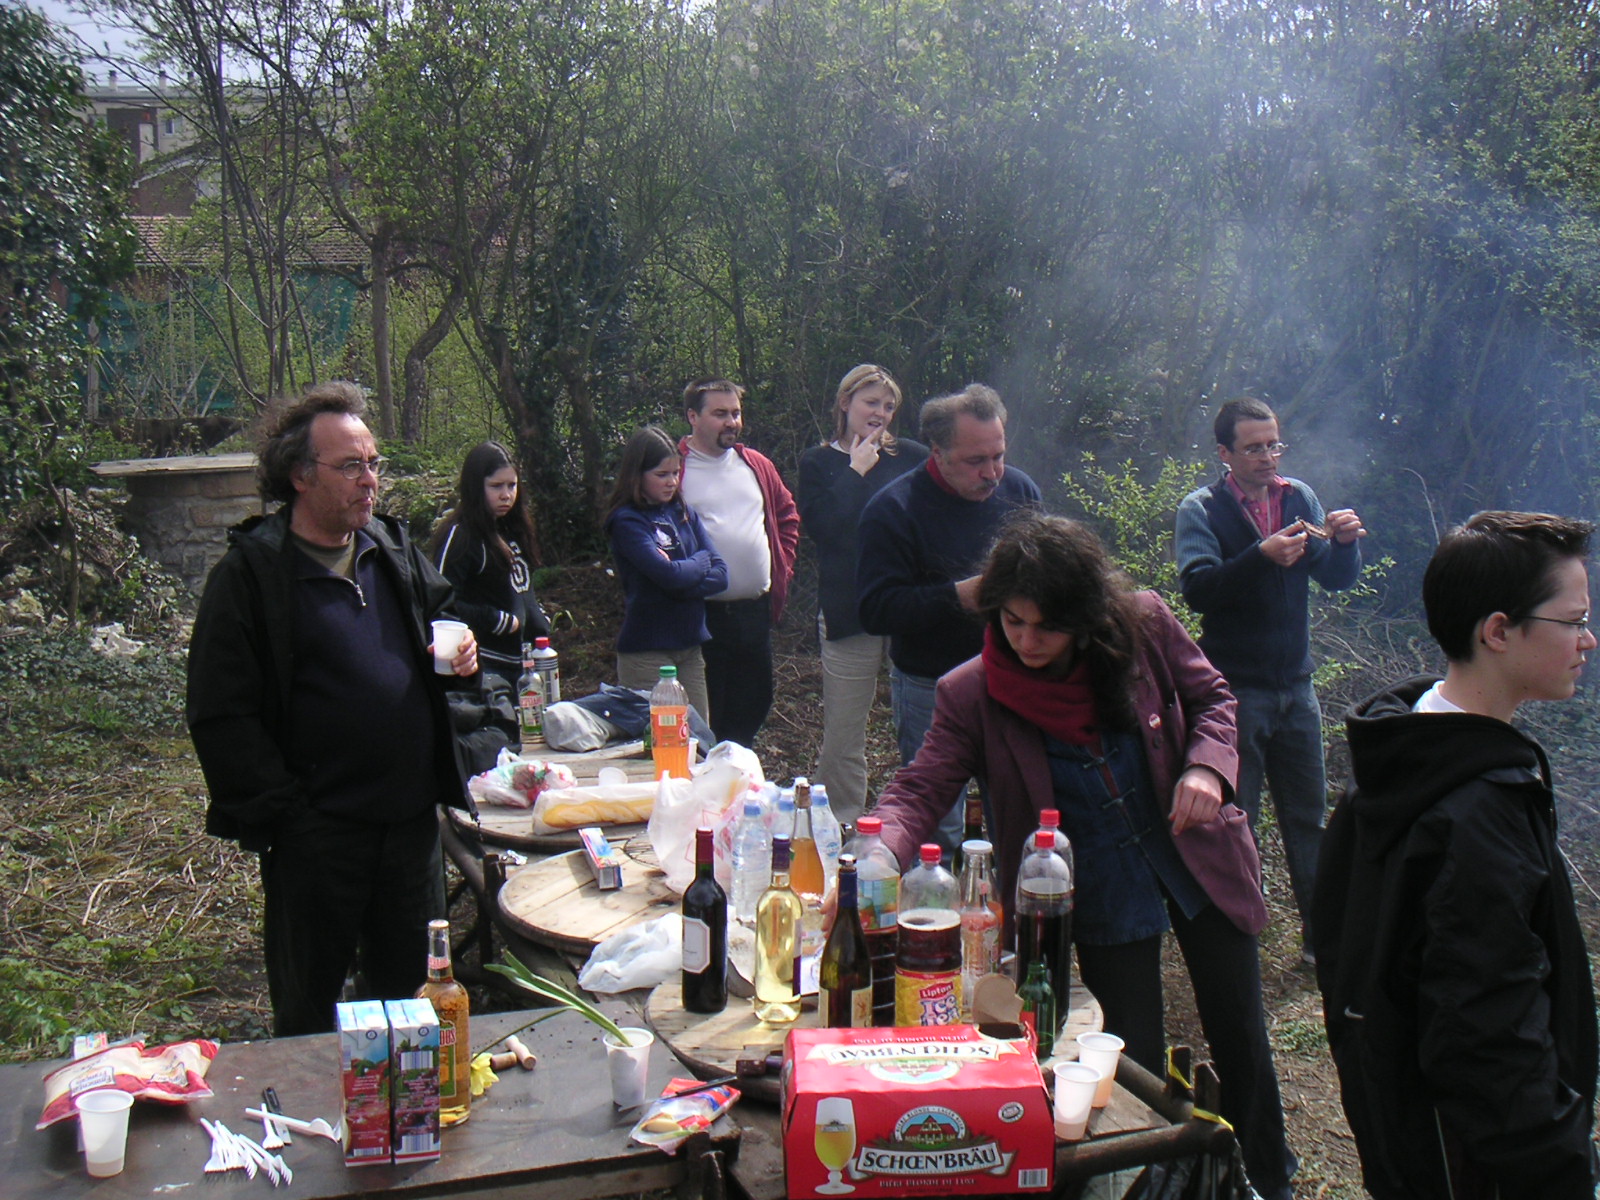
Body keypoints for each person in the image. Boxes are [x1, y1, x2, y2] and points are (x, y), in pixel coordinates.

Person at [871, 511, 1297, 1200]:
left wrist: (1207, 769)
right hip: (1094, 883)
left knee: (1241, 1033)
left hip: (1196, 855)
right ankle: (1157, 1183)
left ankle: (1267, 1181)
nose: (1026, 640)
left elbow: (1213, 697)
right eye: (1012, 621)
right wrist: (875, 852)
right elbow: (920, 787)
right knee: (1129, 1055)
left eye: (1046, 626)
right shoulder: (971, 692)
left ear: (1087, 617)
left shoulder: (1145, 625)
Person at [1313, 511, 1599, 1199]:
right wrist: (1565, 1169)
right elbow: (1489, 1042)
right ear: (1497, 631)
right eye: (1573, 621)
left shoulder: (1400, 753)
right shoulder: (1475, 811)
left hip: (1408, 1139)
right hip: (1477, 1167)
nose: (1587, 640)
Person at [186, 382, 479, 1037]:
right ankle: (312, 1104)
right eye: (350, 466)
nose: (369, 480)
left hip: (409, 830)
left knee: (414, 1010)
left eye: (373, 463)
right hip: (318, 841)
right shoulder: (253, 575)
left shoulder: (392, 549)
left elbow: (445, 616)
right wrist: (289, 815)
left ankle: (412, 1104)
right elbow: (219, 712)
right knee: (310, 1014)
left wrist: (464, 651)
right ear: (300, 475)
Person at [1174, 396, 1365, 960]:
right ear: (1224, 453)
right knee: (1240, 821)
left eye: (1273, 444)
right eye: (1253, 447)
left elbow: (1335, 578)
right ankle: (1241, 942)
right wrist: (1261, 556)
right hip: (1235, 691)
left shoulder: (1298, 497)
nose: (1267, 457)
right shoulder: (1202, 508)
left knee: (1308, 818)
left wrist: (1345, 544)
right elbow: (1199, 590)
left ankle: (1321, 943)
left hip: (1297, 688)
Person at [856, 383, 1040, 847]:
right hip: (930, 685)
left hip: (1013, 678)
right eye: (976, 461)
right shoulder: (894, 509)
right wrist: (957, 597)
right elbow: (876, 610)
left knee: (1019, 813)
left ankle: (1005, 893)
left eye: (998, 456)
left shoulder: (1020, 490)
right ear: (937, 453)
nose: (992, 473)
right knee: (938, 826)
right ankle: (939, 895)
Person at [797, 364, 929, 822]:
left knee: (923, 728)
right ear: (845, 403)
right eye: (871, 402)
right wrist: (855, 470)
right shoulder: (818, 463)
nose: (880, 413)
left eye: (888, 406)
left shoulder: (912, 457)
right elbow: (824, 530)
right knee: (844, 734)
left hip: (909, 608)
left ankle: (917, 822)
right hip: (848, 611)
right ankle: (840, 824)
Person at [676, 378, 799, 748]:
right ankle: (706, 774)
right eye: (720, 414)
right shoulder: (676, 468)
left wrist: (782, 566)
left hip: (753, 612)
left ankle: (735, 771)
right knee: (707, 712)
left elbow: (787, 516)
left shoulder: (755, 465)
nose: (732, 422)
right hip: (701, 616)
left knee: (755, 701)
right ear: (693, 416)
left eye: (736, 413)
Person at [604, 425, 728, 722]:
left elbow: (722, 575)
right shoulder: (627, 521)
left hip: (690, 647)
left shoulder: (683, 511)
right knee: (661, 738)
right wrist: (697, 563)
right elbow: (670, 576)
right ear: (637, 475)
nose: (672, 481)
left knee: (700, 737)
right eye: (661, 474)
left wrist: (679, 577)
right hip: (647, 652)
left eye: (675, 473)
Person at [431, 440, 550, 693]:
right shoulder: (462, 535)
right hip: (487, 669)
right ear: (476, 487)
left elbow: (519, 588)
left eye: (512, 485)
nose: (506, 495)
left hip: (529, 664)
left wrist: (537, 616)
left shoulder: (514, 528)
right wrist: (495, 619)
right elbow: (441, 603)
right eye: (496, 486)